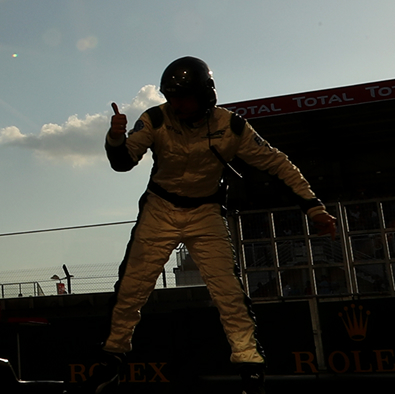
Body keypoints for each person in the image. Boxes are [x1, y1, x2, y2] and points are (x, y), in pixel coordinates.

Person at [95, 57, 336, 394]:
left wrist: (314, 207)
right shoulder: (155, 118)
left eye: (183, 97)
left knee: (228, 291)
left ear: (204, 95)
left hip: (206, 213)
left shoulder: (232, 127)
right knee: (131, 289)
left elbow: (277, 162)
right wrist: (116, 138)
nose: (176, 104)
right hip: (159, 208)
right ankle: (111, 358)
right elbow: (123, 163)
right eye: (171, 97)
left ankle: (250, 363)